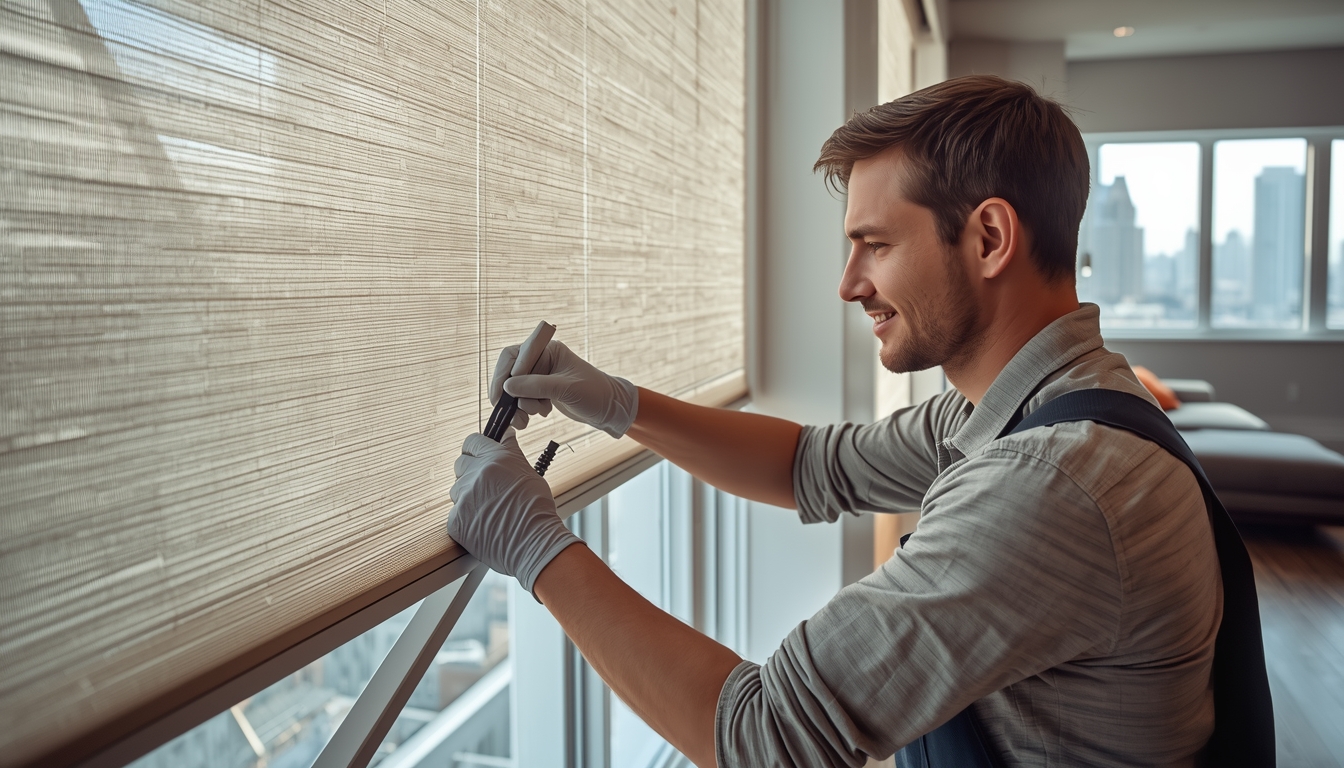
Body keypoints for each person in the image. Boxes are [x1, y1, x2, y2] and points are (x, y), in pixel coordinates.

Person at [447, 76, 1223, 767]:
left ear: (989, 238)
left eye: (874, 246)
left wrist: (537, 547)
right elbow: (811, 465)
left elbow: (762, 737)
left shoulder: (1049, 486)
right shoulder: (1041, 402)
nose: (849, 285)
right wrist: (619, 403)